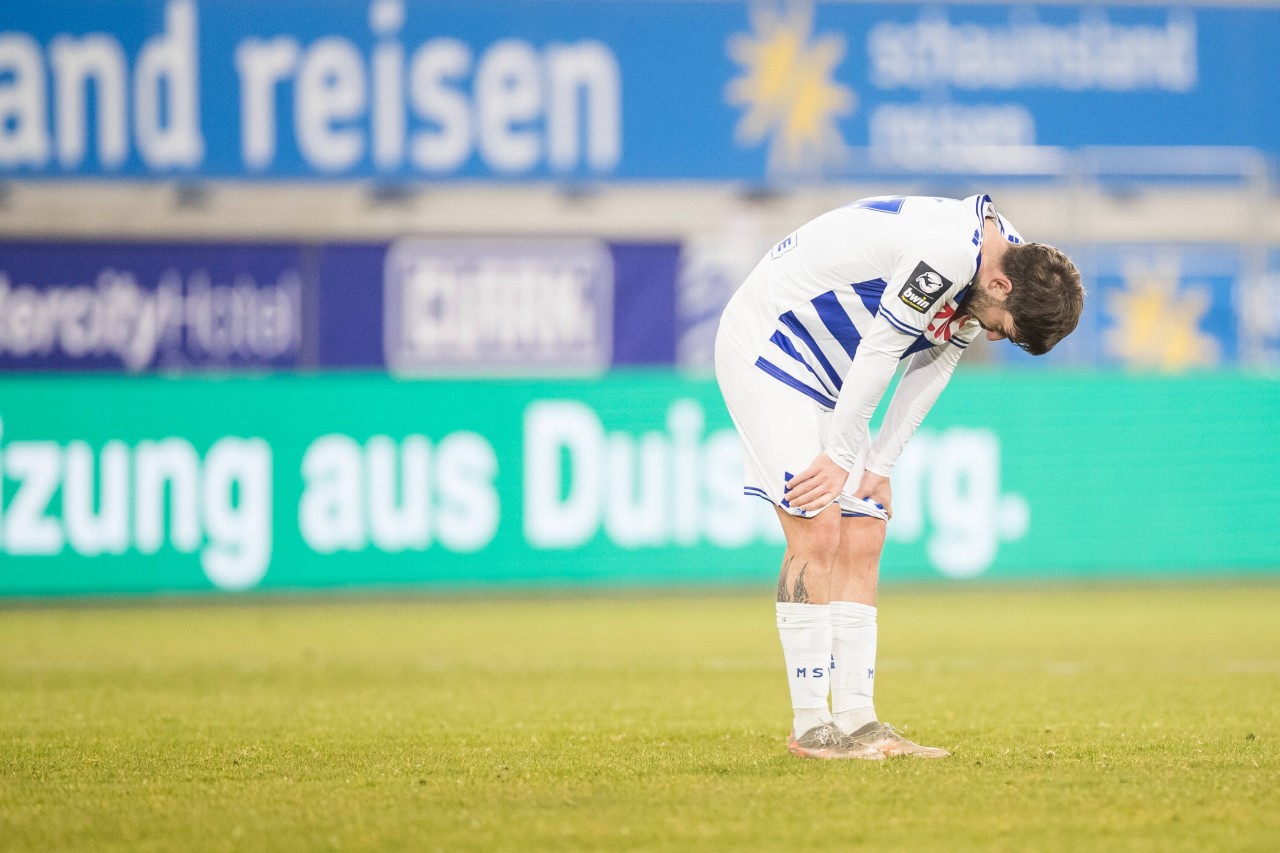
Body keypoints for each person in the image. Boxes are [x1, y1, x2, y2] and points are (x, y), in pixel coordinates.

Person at [714, 194, 1084, 760]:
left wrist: (878, 467)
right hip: (773, 345)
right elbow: (887, 348)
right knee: (816, 525)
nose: (993, 336)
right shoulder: (944, 255)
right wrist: (841, 455)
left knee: (865, 530)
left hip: (834, 370)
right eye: (1004, 329)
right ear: (1004, 288)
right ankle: (812, 725)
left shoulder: (1003, 259)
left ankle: (859, 720)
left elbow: (937, 363)